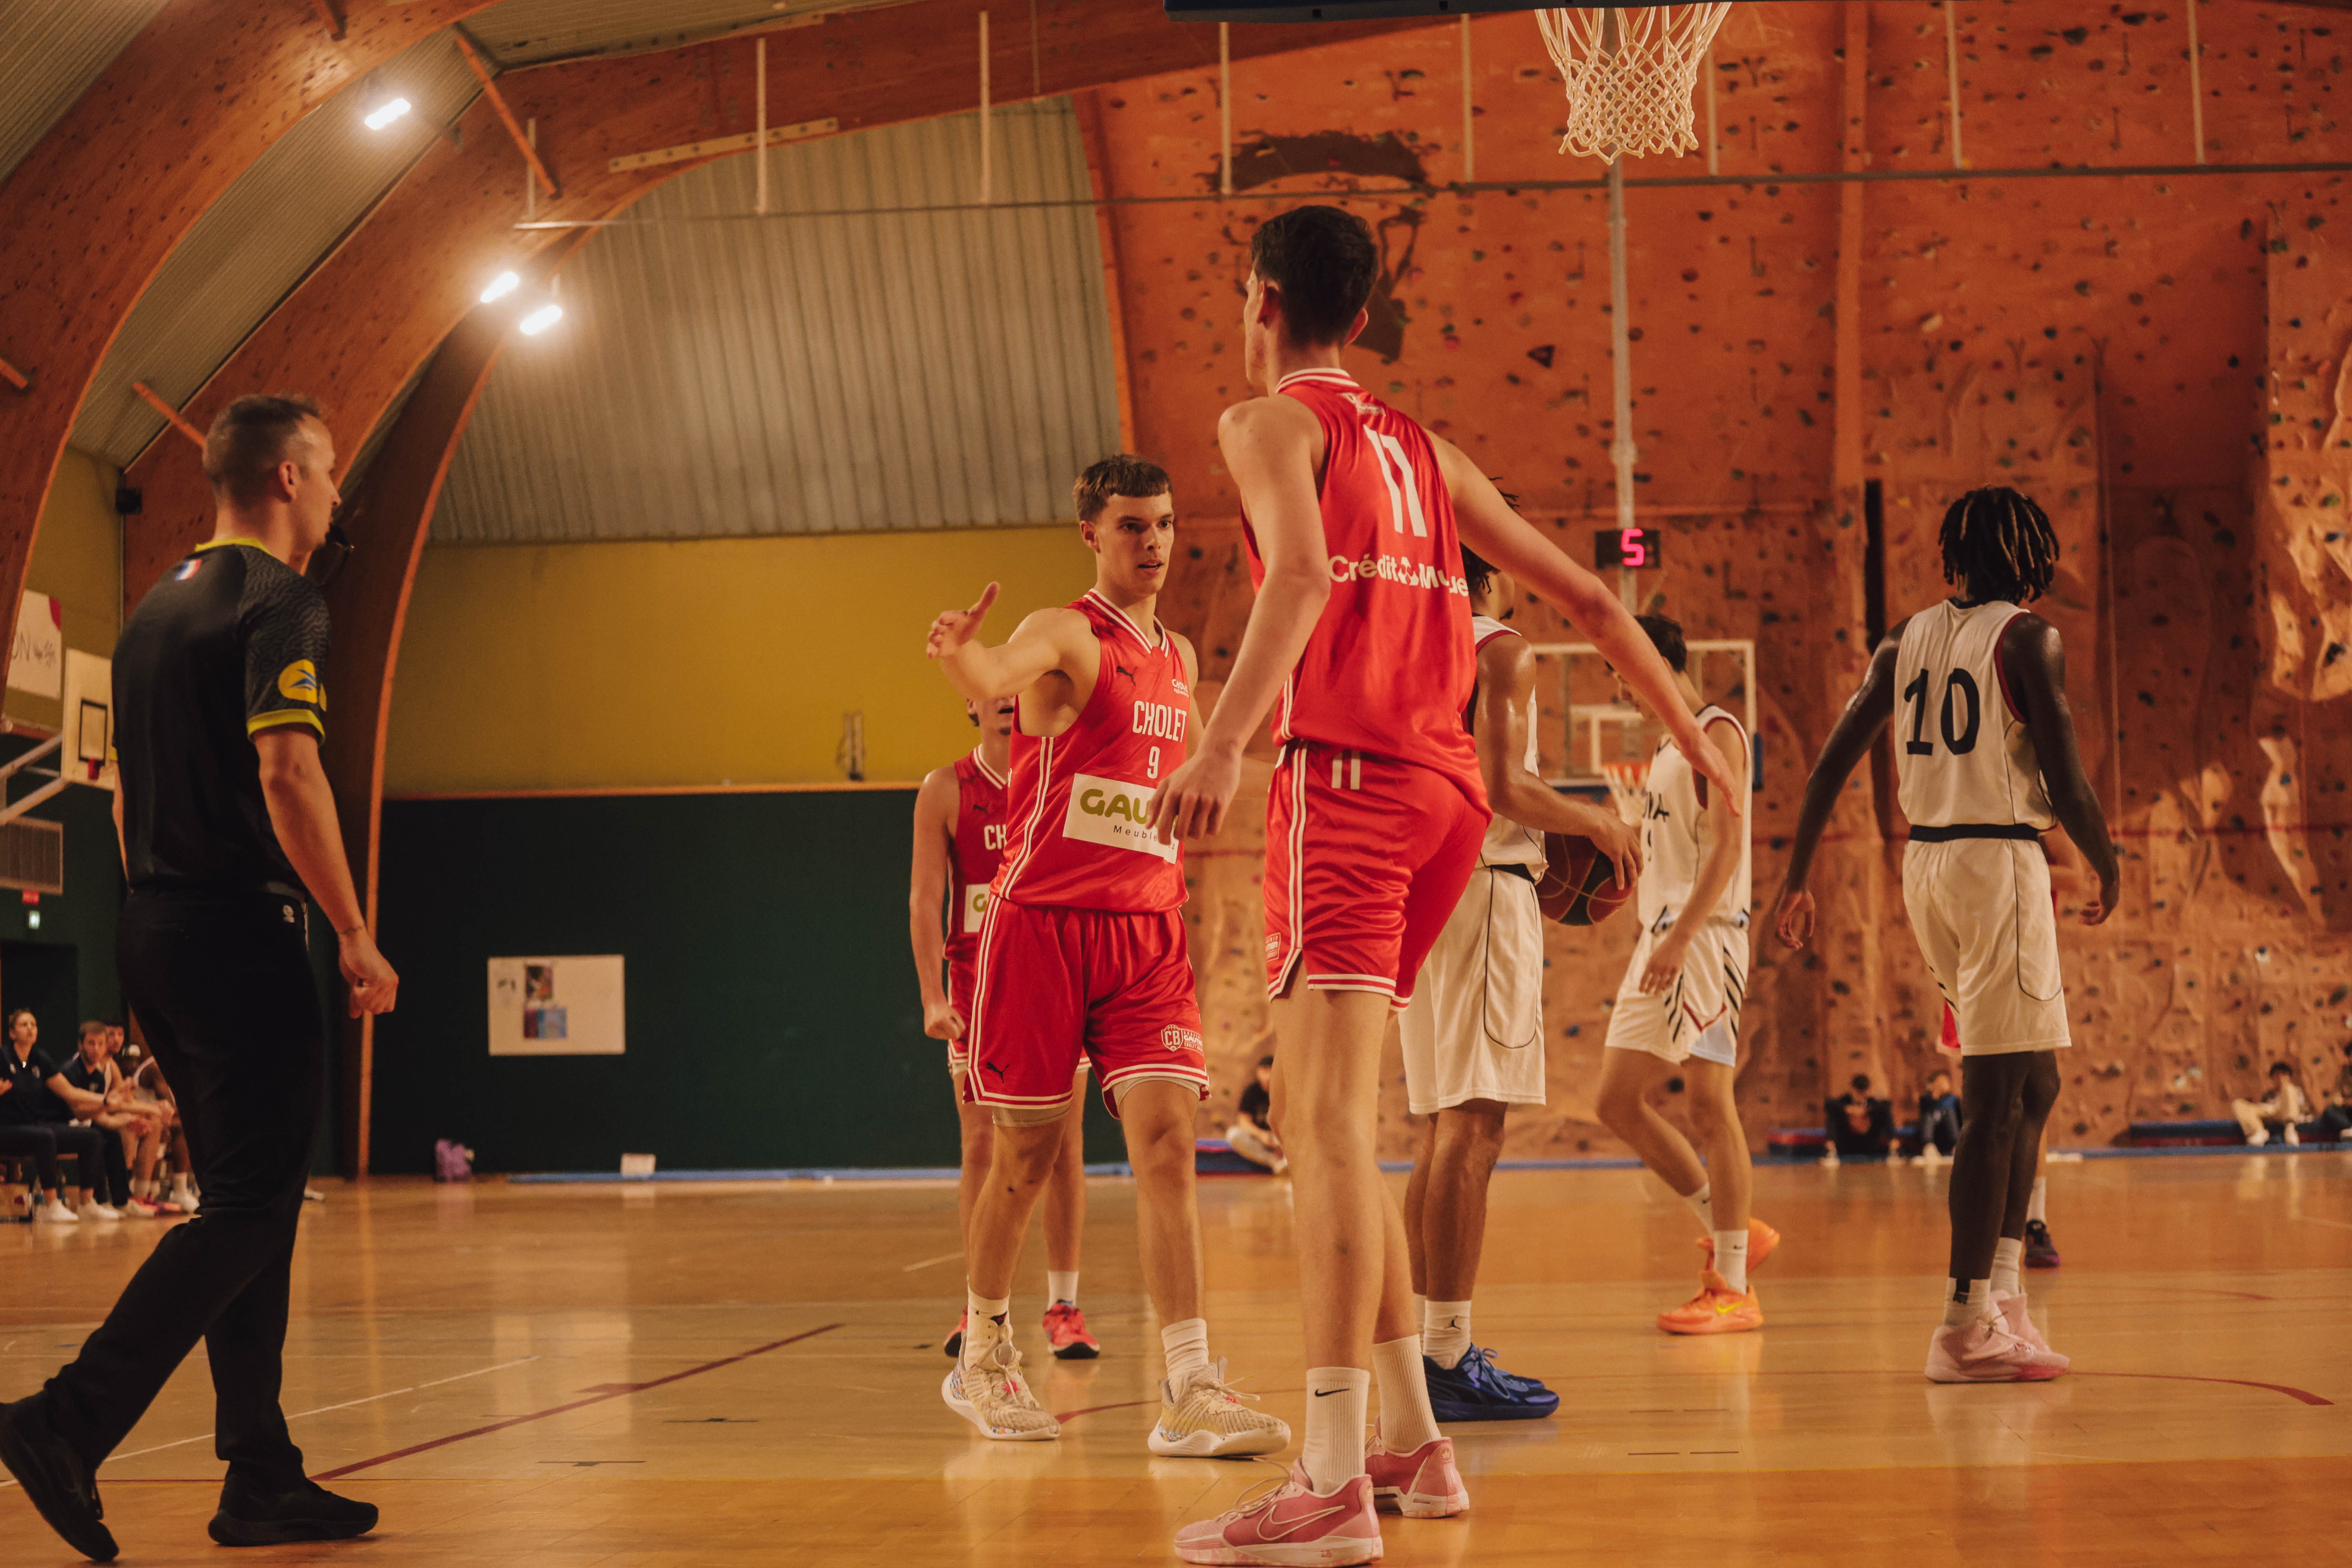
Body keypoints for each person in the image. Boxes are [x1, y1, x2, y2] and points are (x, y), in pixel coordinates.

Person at [1149, 205, 1737, 1565]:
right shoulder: (1427, 447)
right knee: (1347, 1129)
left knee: (1327, 1138)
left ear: (1265, 301)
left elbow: (1296, 574)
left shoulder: (1267, 426)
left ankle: (1329, 1478)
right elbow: (1595, 599)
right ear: (1362, 317)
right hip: (1449, 807)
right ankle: (1413, 1440)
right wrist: (1704, 748)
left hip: (1345, 785)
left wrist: (1226, 741)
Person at [0, 392, 399, 1561]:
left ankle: (261, 1472)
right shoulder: (279, 600)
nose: (335, 492)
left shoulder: (151, 612)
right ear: (285, 478)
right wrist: (356, 930)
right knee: (246, 1205)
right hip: (235, 926)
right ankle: (65, 1420)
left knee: (248, 1199)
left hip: (154, 920)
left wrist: (157, 922)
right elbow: (288, 771)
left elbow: (125, 796)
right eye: (327, 470)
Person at [925, 454, 1286, 1459]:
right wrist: (963, 654)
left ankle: (1188, 1384)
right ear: (1092, 532)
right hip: (1041, 929)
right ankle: (986, 1350)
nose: (1155, 541)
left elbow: (1206, 769)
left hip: (1147, 933)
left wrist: (1318, 768)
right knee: (1026, 1158)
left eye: (1165, 523)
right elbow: (996, 673)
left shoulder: (1178, 657)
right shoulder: (1066, 633)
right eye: (1133, 525)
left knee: (1171, 1143)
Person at [1773, 485, 2117, 1385]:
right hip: (1996, 866)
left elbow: (1834, 757)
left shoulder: (1904, 637)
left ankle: (2003, 1297)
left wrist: (1796, 871)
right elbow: (2069, 780)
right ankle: (1965, 1321)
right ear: (2031, 557)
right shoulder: (2028, 638)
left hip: (1927, 867)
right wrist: (2108, 861)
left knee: (2032, 1080)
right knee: (1995, 1100)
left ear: (1953, 556)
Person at [1401, 547, 1636, 1409]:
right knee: (1474, 1126)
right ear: (1493, 568)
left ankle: (1427, 1353)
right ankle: (1449, 1355)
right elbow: (1501, 785)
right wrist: (1594, 821)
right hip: (1482, 888)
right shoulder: (1499, 646)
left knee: (1436, 1127)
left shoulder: (1405, 641)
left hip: (1416, 895)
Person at [1594, 613, 1779, 1336]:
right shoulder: (1672, 745)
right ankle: (1733, 1228)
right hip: (1667, 934)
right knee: (1614, 1100)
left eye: (1622, 674)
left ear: (1657, 659)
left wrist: (1685, 935)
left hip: (1703, 939)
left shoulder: (1718, 730)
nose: (1620, 691)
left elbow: (1730, 850)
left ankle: (1732, 1283)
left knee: (1710, 1100)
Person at [909, 693, 1096, 1361]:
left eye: (1018, 691)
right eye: (992, 690)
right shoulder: (945, 789)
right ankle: (980, 1307)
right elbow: (926, 899)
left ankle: (1064, 1306)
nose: (1005, 703)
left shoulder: (1058, 777)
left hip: (1051, 978)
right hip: (978, 988)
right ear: (969, 701)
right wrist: (933, 996)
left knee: (1063, 1145)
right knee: (983, 1145)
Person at [0, 1009, 118, 1222]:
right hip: (6, 1129)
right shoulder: (3, 1057)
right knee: (45, 1136)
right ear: (12, 1033)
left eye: (33, 1025)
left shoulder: (39, 1059)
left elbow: (70, 1092)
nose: (30, 1029)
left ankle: (86, 1204)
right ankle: (50, 1205)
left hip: (33, 1126)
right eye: (24, 1025)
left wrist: (107, 1101)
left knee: (91, 1137)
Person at [61, 1020, 177, 1220]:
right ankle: (98, 1200)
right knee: (103, 1135)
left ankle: (128, 1198)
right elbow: (88, 1111)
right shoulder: (73, 1070)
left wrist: (149, 1111)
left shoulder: (103, 1069)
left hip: (92, 1120)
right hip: (67, 1122)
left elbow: (122, 1104)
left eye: (100, 1043)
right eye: (91, 1043)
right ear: (81, 1045)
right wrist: (135, 1114)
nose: (97, 1048)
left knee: (130, 1129)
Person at [2232, 1061, 2312, 1147]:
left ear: (2289, 1077)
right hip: (2270, 1114)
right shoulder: (2268, 1095)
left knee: (2288, 1088)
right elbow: (2264, 1110)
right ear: (2272, 1078)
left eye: (2284, 1075)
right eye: (2277, 1075)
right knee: (2238, 1104)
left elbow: (2305, 1111)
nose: (2281, 1078)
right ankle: (2257, 1132)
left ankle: (2290, 1128)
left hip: (2286, 1115)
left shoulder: (2295, 1091)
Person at [1227, 1056, 1284, 1172]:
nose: (1268, 1076)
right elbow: (1243, 1121)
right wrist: (1261, 1135)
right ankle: (1274, 1162)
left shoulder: (1284, 1090)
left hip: (1281, 1138)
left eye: (1271, 1071)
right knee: (1234, 1135)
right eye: (1264, 1071)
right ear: (1258, 1073)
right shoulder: (1252, 1091)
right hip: (1260, 1139)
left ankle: (1287, 1163)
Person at [1826, 1073, 1897, 1158]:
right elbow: (1829, 1104)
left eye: (1863, 1093)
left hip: (1870, 1145)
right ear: (1852, 1089)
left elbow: (1887, 1105)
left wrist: (1865, 1111)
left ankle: (1895, 1151)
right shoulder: (1843, 1102)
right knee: (1834, 1114)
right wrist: (1848, 1109)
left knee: (1885, 1113)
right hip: (1846, 1145)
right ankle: (1831, 1152)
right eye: (1858, 1092)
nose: (1860, 1096)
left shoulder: (1872, 1103)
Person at [1918, 1069, 1962, 1158]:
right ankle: (1929, 1147)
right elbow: (1924, 1112)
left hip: (1949, 1132)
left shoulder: (1953, 1099)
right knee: (1929, 1115)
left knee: (1949, 1112)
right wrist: (1935, 1094)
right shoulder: (1926, 1099)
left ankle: (1957, 1147)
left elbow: (1959, 1116)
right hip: (1933, 1130)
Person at [2314, 1042, 2352, 1142]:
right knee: (2329, 1111)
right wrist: (2344, 1102)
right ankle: (2349, 1128)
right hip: (2347, 1112)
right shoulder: (2343, 1075)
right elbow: (2335, 1096)